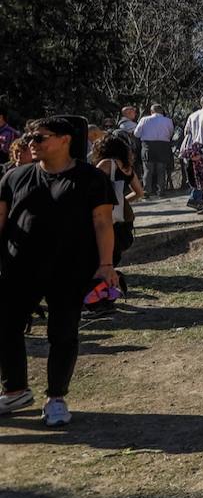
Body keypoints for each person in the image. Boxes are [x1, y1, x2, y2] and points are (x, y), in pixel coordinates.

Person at [0, 116, 118, 427]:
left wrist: (106, 266)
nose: (31, 143)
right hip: (17, 269)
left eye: (40, 137)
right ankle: (15, 389)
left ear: (65, 140)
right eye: (29, 137)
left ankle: (55, 398)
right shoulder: (14, 177)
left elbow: (103, 223)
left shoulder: (92, 180)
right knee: (5, 327)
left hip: (69, 271)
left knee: (62, 334)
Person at [93, 134, 143, 268]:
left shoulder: (106, 163)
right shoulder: (127, 168)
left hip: (106, 217)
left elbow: (90, 184)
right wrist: (121, 201)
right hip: (123, 218)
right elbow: (139, 192)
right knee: (114, 253)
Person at [134, 104, 175, 197]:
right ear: (162, 111)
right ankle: (161, 191)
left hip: (148, 146)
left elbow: (136, 134)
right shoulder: (168, 121)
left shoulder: (144, 119)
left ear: (151, 111)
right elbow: (171, 132)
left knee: (148, 170)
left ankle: (146, 192)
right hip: (163, 146)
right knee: (161, 170)